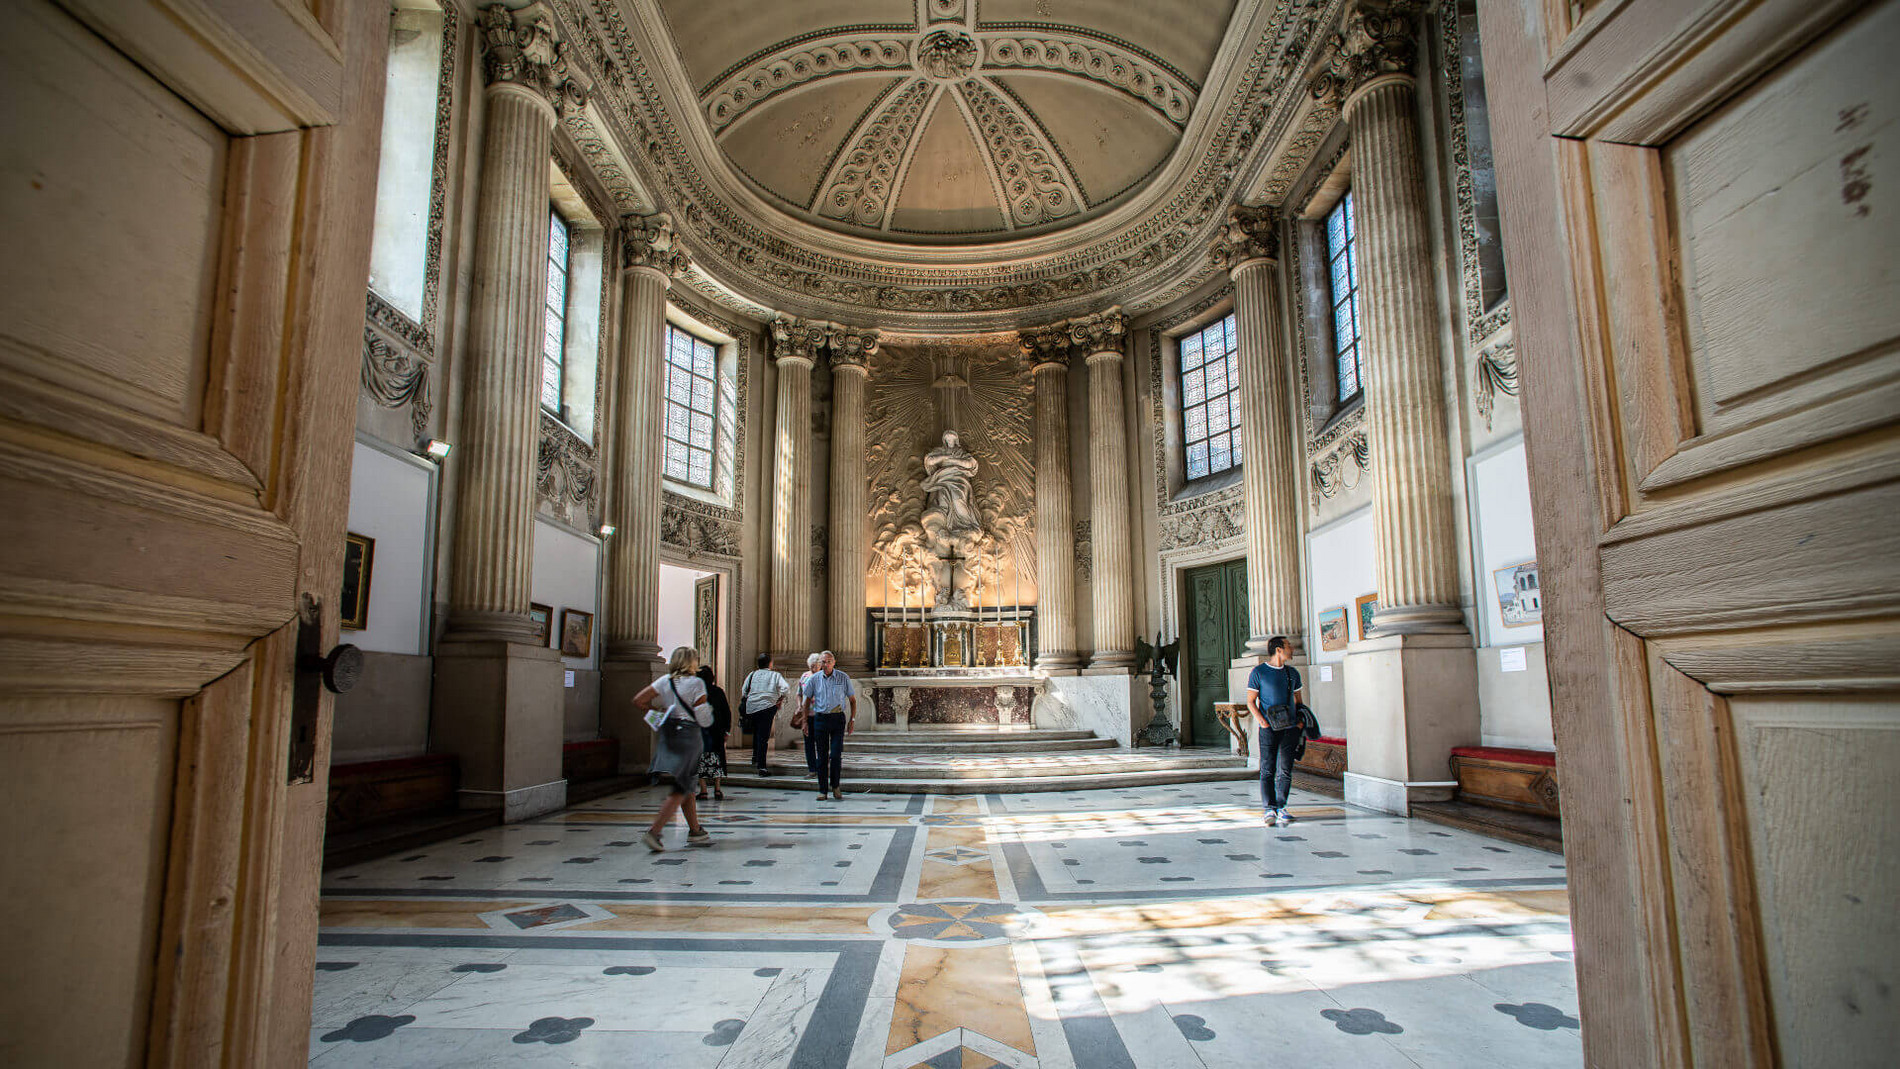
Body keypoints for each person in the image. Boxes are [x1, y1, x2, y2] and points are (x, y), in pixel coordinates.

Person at [633, 646, 713, 851]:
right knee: (682, 787)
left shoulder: (665, 681)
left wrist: (659, 713)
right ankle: (654, 832)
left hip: (670, 735)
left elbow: (639, 700)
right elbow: (703, 718)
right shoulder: (696, 683)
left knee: (686, 783)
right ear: (692, 662)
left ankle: (695, 830)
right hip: (689, 736)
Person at [1246, 636, 1305, 827]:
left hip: (1290, 728)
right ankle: (1269, 808)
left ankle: (1281, 807)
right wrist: (1262, 722)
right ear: (1279, 650)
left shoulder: (1293, 673)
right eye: (1288, 646)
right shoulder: (1259, 672)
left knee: (1285, 769)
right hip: (1269, 728)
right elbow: (1250, 701)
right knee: (1268, 768)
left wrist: (1300, 724)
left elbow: (1299, 702)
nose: (1292, 649)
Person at [798, 650, 857, 800]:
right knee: (822, 756)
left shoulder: (843, 677)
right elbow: (806, 701)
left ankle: (835, 786)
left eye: (828, 661)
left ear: (834, 662)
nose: (826, 664)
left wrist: (852, 720)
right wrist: (804, 721)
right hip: (820, 719)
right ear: (820, 663)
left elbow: (852, 700)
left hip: (837, 719)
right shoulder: (814, 679)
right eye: (823, 662)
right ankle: (822, 790)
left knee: (836, 755)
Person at [736, 652, 790, 776]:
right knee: (763, 737)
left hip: (751, 707)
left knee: (756, 732)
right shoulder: (775, 675)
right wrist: (780, 699)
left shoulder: (752, 674)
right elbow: (785, 689)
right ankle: (762, 767)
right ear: (770, 663)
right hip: (767, 707)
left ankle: (755, 756)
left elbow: (744, 691)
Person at [693, 665, 732, 801]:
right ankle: (717, 788)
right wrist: (727, 730)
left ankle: (703, 790)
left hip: (701, 731)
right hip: (717, 730)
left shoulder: (696, 693)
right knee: (717, 758)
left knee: (700, 759)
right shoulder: (718, 691)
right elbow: (727, 712)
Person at [796, 652, 822, 778]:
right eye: (812, 666)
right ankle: (812, 769)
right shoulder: (804, 676)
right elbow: (799, 693)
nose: (813, 668)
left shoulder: (824, 677)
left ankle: (821, 766)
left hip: (821, 714)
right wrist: (799, 705)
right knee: (808, 742)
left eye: (816, 665)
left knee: (821, 742)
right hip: (807, 714)